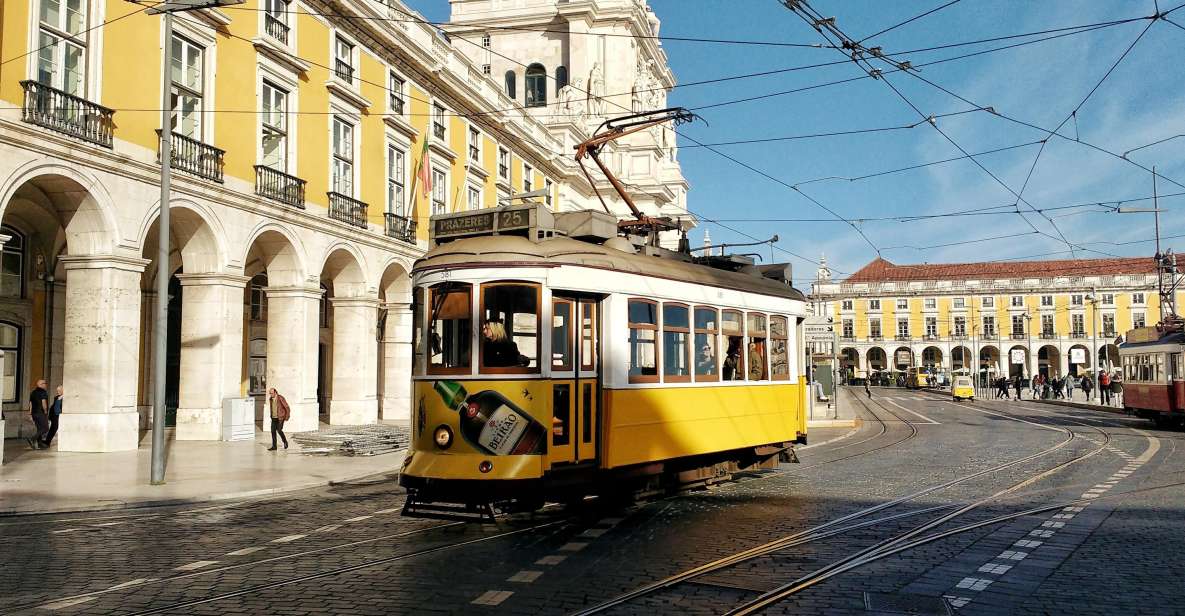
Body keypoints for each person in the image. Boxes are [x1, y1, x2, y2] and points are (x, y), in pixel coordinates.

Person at [27, 379, 50, 450]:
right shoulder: (43, 392)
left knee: (39, 429)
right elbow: (44, 403)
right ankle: (32, 439)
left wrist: (30, 413)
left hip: (34, 413)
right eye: (45, 383)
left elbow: (30, 403)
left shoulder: (33, 392)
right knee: (45, 428)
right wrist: (45, 412)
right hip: (41, 413)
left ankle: (40, 444)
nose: (46, 385)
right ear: (41, 385)